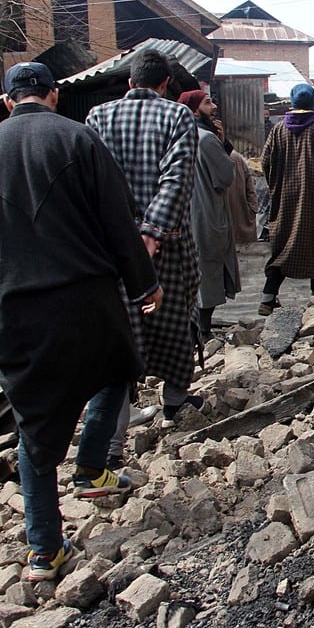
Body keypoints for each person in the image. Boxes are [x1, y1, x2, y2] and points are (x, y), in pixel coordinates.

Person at [0, 62, 161, 581]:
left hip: (11, 306)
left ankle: (44, 550)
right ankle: (94, 464)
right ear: (53, 95)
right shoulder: (79, 139)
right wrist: (146, 282)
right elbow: (118, 221)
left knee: (34, 428)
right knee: (119, 366)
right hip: (81, 297)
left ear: (9, 102)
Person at [86, 50, 202, 427]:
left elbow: (93, 186)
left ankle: (113, 431)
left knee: (120, 330)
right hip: (165, 243)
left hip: (113, 248)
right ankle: (174, 402)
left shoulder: (98, 117)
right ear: (165, 84)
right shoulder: (178, 115)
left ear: (130, 83)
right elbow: (176, 180)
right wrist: (151, 234)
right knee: (172, 320)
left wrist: (121, 235)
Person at [260, 84, 314, 313]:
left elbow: (265, 162)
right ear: (312, 104)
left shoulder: (278, 130)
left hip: (286, 200)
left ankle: (268, 297)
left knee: (284, 247)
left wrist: (276, 187)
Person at [178, 90, 236, 341]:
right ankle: (203, 331)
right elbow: (225, 176)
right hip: (207, 213)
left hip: (186, 213)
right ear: (193, 109)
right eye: (208, 102)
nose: (214, 107)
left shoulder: (179, 135)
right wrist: (222, 144)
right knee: (209, 271)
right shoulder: (206, 140)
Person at [222, 126, 259, 244]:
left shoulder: (235, 158)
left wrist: (252, 209)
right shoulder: (235, 157)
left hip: (239, 218)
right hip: (235, 220)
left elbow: (250, 186)